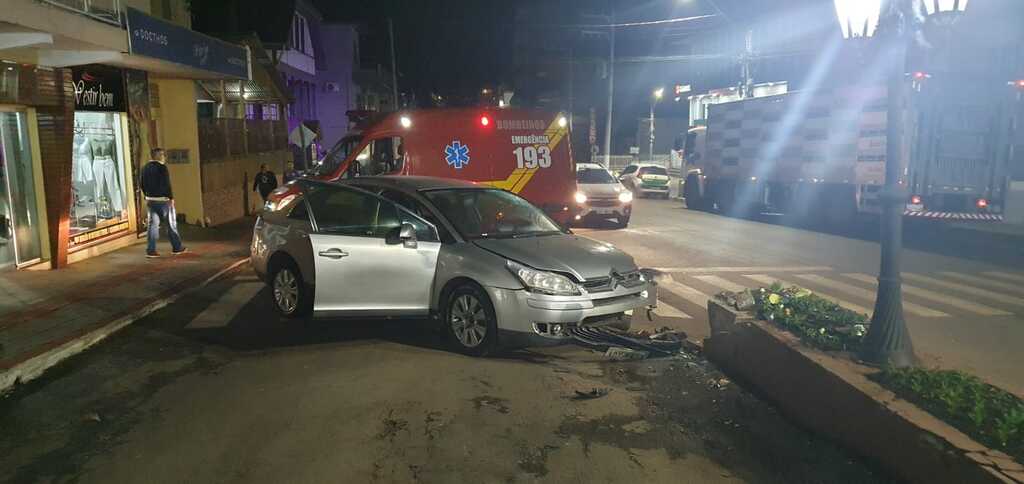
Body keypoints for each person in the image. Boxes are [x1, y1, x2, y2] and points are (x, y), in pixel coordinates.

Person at [139, 148, 186, 258]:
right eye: (164, 155)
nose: (165, 157)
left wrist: (147, 195)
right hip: (163, 200)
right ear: (159, 155)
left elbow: (141, 184)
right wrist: (171, 198)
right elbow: (166, 184)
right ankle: (177, 247)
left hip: (150, 200)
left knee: (152, 226)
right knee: (171, 224)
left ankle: (151, 250)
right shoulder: (162, 168)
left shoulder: (144, 168)